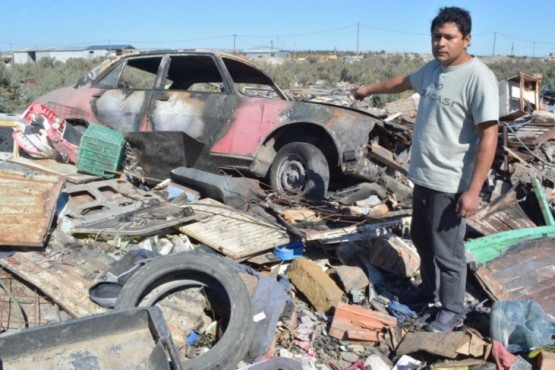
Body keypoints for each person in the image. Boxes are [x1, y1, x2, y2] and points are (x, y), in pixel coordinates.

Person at [352, 6, 499, 332]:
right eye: (436, 37)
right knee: (422, 238)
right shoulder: (433, 70)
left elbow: (489, 136)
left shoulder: (479, 77)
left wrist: (473, 190)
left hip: (451, 182)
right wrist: (369, 89)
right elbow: (403, 82)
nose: (441, 43)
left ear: (467, 39)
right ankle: (429, 293)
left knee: (448, 251)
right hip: (424, 176)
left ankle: (453, 310)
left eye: (449, 37)